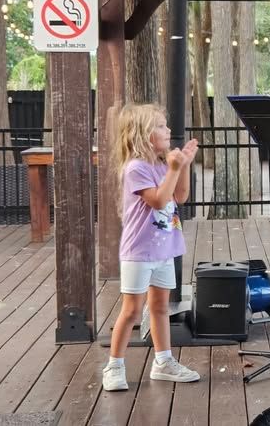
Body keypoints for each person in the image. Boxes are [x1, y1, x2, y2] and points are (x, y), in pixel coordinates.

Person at [102, 104, 201, 391]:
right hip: (139, 252)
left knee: (159, 308)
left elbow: (179, 196)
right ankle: (114, 366)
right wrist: (174, 168)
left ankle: (163, 362)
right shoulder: (136, 168)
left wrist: (183, 166)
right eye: (160, 125)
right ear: (143, 135)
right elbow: (158, 200)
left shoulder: (161, 166)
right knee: (132, 311)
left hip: (163, 251)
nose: (168, 129)